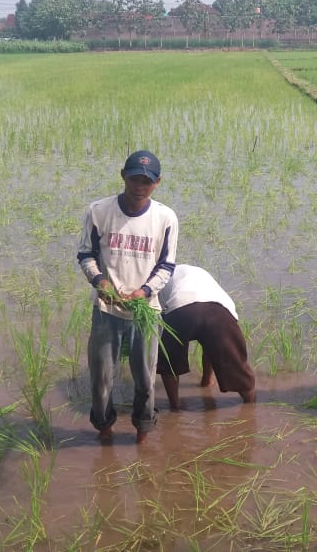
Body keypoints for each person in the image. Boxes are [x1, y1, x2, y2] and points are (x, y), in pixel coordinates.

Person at [77, 150, 179, 444]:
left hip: (145, 312)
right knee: (101, 381)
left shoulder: (166, 218)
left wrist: (143, 292)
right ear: (123, 175)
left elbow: (166, 266)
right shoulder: (98, 211)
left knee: (146, 381)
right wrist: (100, 282)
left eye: (146, 181)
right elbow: (86, 255)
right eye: (134, 178)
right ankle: (105, 435)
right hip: (106, 312)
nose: (139, 186)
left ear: (157, 183)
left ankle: (142, 439)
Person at [157, 264, 256, 410]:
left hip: (180, 308)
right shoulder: (197, 273)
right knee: (237, 369)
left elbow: (157, 313)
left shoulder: (160, 276)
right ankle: (250, 407)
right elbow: (211, 343)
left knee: (169, 361)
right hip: (219, 311)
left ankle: (175, 407)